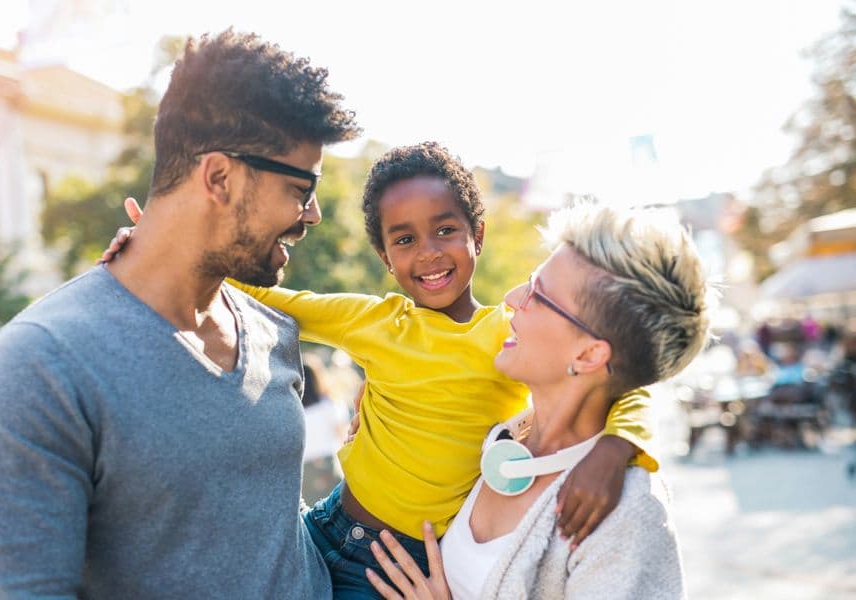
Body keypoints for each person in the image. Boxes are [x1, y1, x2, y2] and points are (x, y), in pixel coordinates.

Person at [103, 142, 658, 598]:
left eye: (445, 230)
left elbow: (624, 381)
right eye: (404, 240)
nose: (429, 253)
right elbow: (258, 296)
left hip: (397, 570)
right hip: (323, 525)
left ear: (477, 236)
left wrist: (616, 447)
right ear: (385, 259)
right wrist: (162, 251)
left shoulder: (508, 336)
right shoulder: (372, 321)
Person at [0, 30, 359, 598]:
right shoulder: (41, 363)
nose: (313, 214)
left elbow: (267, 530)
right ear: (219, 177)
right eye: (302, 187)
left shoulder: (275, 334)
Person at [365, 202, 712, 599]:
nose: (512, 297)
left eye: (538, 295)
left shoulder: (627, 514)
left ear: (588, 355)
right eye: (528, 281)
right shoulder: (500, 433)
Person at [301, 353, 349, 505]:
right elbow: (343, 435)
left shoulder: (295, 411)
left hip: (304, 469)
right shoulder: (330, 403)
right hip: (329, 463)